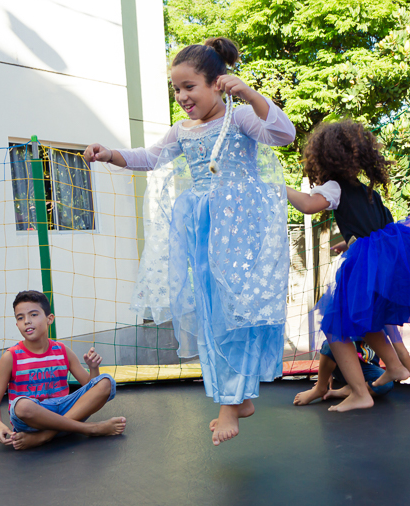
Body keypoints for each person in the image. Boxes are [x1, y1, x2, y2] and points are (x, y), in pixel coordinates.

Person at [84, 37, 295, 445]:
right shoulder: (182, 131)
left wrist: (250, 94)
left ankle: (232, 401)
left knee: (239, 309)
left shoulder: (240, 119)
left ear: (218, 83)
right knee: (211, 311)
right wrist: (109, 153)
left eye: (189, 87)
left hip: (239, 230)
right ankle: (236, 397)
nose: (181, 97)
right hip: (201, 229)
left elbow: (282, 134)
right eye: (176, 90)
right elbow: (151, 158)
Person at [287, 120, 410, 412]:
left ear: (325, 157)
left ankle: (360, 393)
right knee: (367, 323)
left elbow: (308, 204)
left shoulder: (334, 187)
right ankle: (394, 368)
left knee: (335, 326)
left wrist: (281, 189)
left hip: (365, 267)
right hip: (388, 264)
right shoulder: (370, 192)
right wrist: (350, 243)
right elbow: (379, 230)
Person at [0, 290, 126, 450]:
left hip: (64, 410)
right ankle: (91, 429)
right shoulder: (11, 357)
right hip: (33, 419)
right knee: (21, 406)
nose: (27, 321)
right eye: (20, 317)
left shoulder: (62, 350)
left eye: (33, 315)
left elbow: (91, 388)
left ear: (49, 319)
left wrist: (94, 369)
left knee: (106, 382)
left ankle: (45, 436)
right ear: (16, 323)